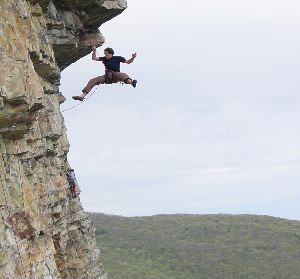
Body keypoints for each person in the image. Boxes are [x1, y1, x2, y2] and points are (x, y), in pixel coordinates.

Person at [72, 47, 137, 101]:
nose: (105, 55)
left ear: (110, 54)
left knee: (122, 75)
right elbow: (94, 58)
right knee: (93, 80)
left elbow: (128, 62)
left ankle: (132, 83)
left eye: (106, 53)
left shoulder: (118, 58)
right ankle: (82, 96)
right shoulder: (104, 58)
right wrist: (94, 51)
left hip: (115, 75)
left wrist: (133, 57)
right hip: (107, 76)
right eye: (104, 53)